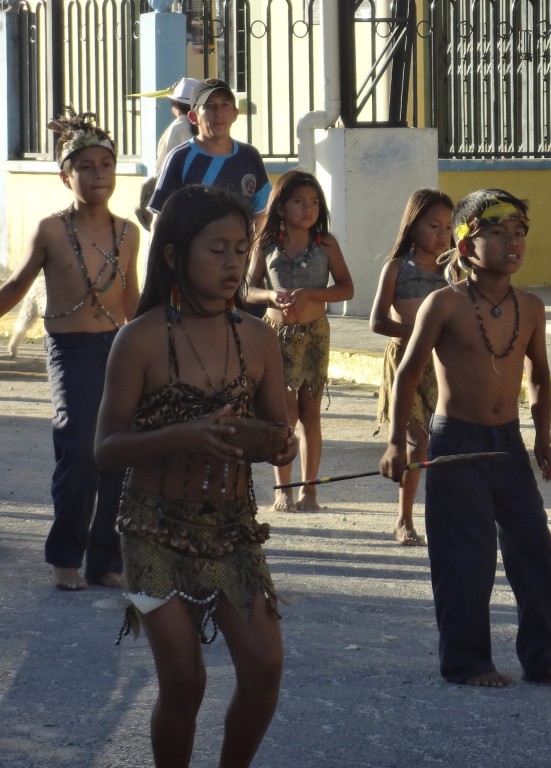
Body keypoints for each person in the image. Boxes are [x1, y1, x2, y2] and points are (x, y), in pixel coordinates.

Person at [94, 184, 297, 766]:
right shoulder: (139, 339)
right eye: (217, 250)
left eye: (242, 248)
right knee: (184, 683)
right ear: (174, 255)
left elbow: (277, 438)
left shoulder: (258, 337)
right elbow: (107, 448)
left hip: (234, 530)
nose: (234, 263)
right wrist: (182, 435)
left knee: (265, 667)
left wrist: (274, 446)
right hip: (153, 529)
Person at [379, 188, 551, 687]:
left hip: (508, 442)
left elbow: (538, 377)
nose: (513, 243)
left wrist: (543, 438)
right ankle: (468, 660)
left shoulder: (531, 306)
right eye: (497, 233)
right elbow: (407, 374)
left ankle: (544, 655)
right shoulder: (442, 304)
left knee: (534, 548)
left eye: (519, 234)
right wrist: (396, 442)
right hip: (457, 443)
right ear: (467, 247)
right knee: (464, 557)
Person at [0, 107, 140, 591]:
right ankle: (65, 555)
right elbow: (17, 286)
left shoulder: (129, 233)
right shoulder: (51, 230)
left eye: (106, 165)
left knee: (118, 456)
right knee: (79, 451)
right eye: (86, 166)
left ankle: (105, 560)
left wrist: (163, 342)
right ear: (65, 176)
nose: (98, 174)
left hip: (119, 350)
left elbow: (132, 299)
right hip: (71, 350)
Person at [244, 171, 353, 512]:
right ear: (280, 206)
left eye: (314, 202)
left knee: (310, 412)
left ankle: (309, 490)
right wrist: (272, 296)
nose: (308, 209)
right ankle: (283, 488)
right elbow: (247, 288)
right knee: (283, 413)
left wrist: (312, 294)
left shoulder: (326, 244)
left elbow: (346, 288)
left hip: (314, 336)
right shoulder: (266, 244)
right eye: (299, 201)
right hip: (276, 335)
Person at [370, 188, 454, 545]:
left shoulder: (455, 271)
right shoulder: (396, 268)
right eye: (433, 225)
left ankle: (447, 517)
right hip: (405, 363)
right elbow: (377, 322)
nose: (442, 234)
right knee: (416, 442)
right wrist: (418, 333)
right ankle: (404, 519)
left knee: (446, 444)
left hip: (443, 366)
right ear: (413, 226)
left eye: (449, 227)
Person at [147, 78, 272, 215]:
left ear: (235, 113)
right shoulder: (180, 157)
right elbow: (160, 216)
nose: (218, 113)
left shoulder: (250, 155)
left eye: (225, 105)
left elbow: (262, 213)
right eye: (209, 106)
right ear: (193, 117)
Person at [136, 77, 201, 232]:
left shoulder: (177, 128)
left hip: (176, 200)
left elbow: (163, 168)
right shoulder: (201, 126)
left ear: (175, 105)